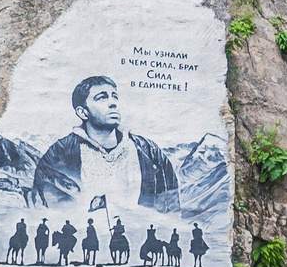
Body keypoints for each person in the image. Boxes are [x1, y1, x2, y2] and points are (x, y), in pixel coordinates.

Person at [31, 76, 181, 212]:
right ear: (83, 112)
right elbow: (46, 206)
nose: (113, 103)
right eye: (101, 98)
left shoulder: (149, 151)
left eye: (114, 96)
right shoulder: (59, 154)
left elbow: (171, 206)